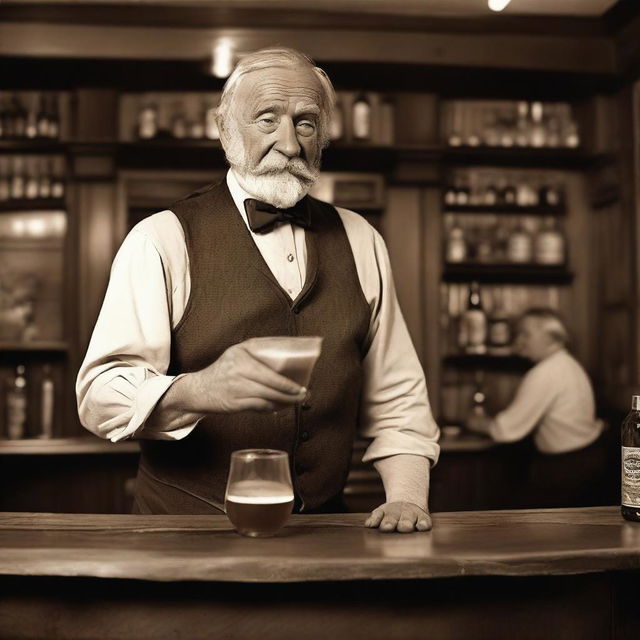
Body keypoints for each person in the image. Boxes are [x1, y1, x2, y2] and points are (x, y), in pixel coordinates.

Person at [76, 47, 440, 532]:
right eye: (267, 120)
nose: (289, 143)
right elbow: (99, 396)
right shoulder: (161, 238)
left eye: (306, 123)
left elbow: (398, 396)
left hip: (322, 534)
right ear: (224, 128)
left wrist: (408, 499)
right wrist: (202, 389)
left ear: (324, 137)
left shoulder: (361, 239)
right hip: (184, 534)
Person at [466, 307, 605, 506]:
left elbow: (505, 430)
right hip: (585, 458)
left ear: (552, 337)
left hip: (568, 467)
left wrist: (474, 421)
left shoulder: (545, 372)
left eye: (526, 334)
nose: (518, 341)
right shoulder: (566, 363)